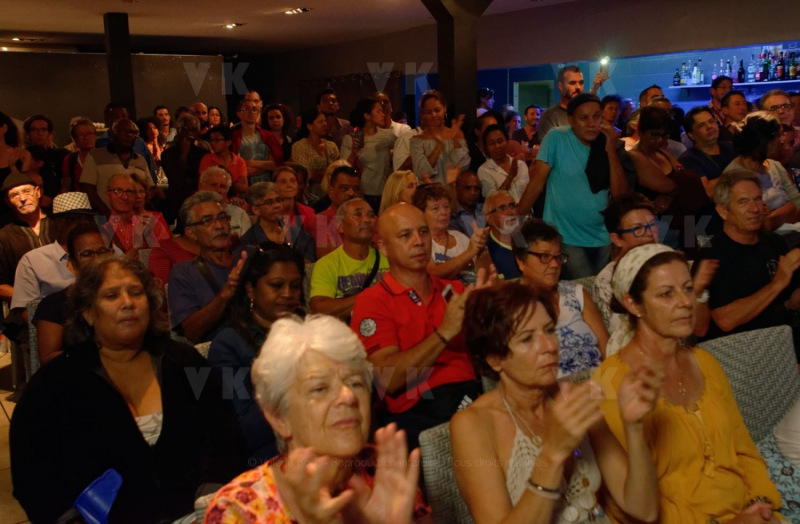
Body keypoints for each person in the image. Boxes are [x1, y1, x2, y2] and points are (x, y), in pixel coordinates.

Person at [10, 255, 246, 523]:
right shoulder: (54, 384)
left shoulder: (186, 363)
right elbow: (34, 476)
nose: (128, 303)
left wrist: (211, 500)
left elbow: (223, 433)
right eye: (111, 296)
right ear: (87, 312)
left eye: (136, 293)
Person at [595, 243, 784, 522]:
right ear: (633, 304)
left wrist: (761, 502)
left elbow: (744, 449)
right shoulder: (611, 382)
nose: (685, 302)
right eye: (666, 294)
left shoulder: (704, 361)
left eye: (687, 288)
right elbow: (631, 502)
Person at [451, 282, 659, 524]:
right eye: (527, 339)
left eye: (550, 330)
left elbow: (644, 509)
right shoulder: (473, 425)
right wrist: (552, 454)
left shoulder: (573, 398)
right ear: (496, 359)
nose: (550, 346)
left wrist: (634, 427)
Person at [204, 314, 428, 522]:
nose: (348, 396)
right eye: (320, 388)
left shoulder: (386, 471)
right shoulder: (237, 509)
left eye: (355, 383)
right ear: (279, 417)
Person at [351, 203, 495, 448]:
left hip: (469, 396)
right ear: (383, 247)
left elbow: (492, 354)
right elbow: (387, 379)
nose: (419, 241)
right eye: (405, 235)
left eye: (424, 232)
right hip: (418, 412)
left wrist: (491, 314)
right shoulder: (372, 301)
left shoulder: (454, 291)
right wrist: (445, 332)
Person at [208, 246, 304, 464]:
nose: (288, 294)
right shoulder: (229, 344)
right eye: (276, 285)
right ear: (251, 290)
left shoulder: (310, 328)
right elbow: (246, 430)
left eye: (295, 286)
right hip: (268, 453)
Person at [519, 93, 629, 278]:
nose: (592, 123)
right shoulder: (556, 138)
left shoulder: (606, 144)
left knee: (602, 292)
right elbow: (536, 183)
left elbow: (620, 195)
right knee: (586, 291)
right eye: (584, 118)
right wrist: (516, 222)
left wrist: (610, 149)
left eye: (596, 116)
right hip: (565, 236)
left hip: (602, 236)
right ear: (571, 120)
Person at [696, 170, 800, 354]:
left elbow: (791, 300)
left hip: (784, 340)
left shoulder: (773, 242)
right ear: (723, 211)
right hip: (742, 354)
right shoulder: (713, 256)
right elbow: (726, 320)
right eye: (743, 202)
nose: (755, 208)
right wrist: (778, 283)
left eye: (758, 199)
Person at [515, 219, 608, 378]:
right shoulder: (512, 305)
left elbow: (607, 349)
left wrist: (611, 392)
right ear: (521, 262)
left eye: (558, 257)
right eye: (544, 257)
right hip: (552, 395)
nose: (554, 265)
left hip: (598, 385)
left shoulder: (576, 293)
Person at [628, 105, 711, 253]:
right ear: (641, 132)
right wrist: (674, 190)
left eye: (664, 136)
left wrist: (673, 192)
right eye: (654, 135)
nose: (659, 140)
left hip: (683, 222)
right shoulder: (635, 157)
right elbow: (670, 186)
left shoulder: (663, 152)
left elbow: (687, 181)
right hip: (658, 225)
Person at [167, 191, 246, 343]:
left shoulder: (247, 257)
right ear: (191, 232)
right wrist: (224, 295)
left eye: (223, 217)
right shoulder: (184, 272)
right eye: (207, 221)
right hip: (219, 355)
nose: (219, 225)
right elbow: (192, 333)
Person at [33, 221, 112, 364]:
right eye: (87, 254)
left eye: (102, 251)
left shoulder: (130, 296)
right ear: (73, 263)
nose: (97, 260)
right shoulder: (55, 304)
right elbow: (48, 358)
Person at [310, 198, 389, 320]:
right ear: (340, 226)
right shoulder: (327, 264)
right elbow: (320, 309)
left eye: (371, 215)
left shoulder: (389, 259)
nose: (367, 220)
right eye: (358, 215)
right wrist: (373, 295)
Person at [725, 111, 800, 232]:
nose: (782, 140)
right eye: (779, 135)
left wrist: (780, 214)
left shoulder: (775, 166)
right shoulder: (734, 175)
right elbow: (759, 226)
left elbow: (797, 204)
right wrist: (788, 208)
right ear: (763, 140)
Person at [413, 182, 489, 285]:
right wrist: (469, 253)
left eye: (446, 207)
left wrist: (481, 250)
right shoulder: (419, 241)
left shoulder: (460, 237)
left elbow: (484, 272)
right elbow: (432, 274)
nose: (444, 212)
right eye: (436, 208)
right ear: (421, 213)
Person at [80, 118, 151, 216]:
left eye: (134, 133)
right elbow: (87, 189)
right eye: (125, 132)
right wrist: (108, 215)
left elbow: (149, 188)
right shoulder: (96, 156)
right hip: (105, 218)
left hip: (135, 219)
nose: (130, 136)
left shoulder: (140, 159)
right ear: (113, 134)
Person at [340, 97, 397, 213]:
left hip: (384, 192)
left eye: (383, 111)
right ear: (367, 116)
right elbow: (343, 170)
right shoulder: (351, 139)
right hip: (362, 192)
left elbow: (401, 153)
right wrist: (354, 152)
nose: (383, 114)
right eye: (378, 111)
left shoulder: (388, 136)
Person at [240, 182, 315, 263]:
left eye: (278, 200)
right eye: (269, 202)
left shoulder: (296, 234)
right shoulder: (248, 241)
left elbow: (308, 264)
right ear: (256, 210)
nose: (277, 205)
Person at [410, 90, 470, 184]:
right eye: (428, 112)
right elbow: (422, 172)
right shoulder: (417, 140)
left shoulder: (457, 133)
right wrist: (438, 145)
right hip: (429, 193)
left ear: (444, 108)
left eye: (437, 110)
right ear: (423, 114)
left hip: (453, 192)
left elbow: (464, 166)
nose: (434, 115)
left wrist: (454, 138)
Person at [679, 106, 737, 198]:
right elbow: (708, 192)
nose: (710, 127)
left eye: (711, 121)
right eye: (701, 125)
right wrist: (736, 170)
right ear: (691, 135)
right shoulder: (688, 159)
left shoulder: (733, 147)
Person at [232, 99, 284, 183]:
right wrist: (264, 166)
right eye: (246, 109)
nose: (251, 112)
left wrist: (251, 163)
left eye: (254, 109)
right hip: (243, 184)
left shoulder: (268, 136)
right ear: (239, 113)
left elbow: (277, 164)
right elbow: (234, 167)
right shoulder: (234, 137)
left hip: (266, 185)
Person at [292, 108, 340, 194]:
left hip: (331, 194)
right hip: (310, 195)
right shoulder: (300, 146)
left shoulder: (331, 146)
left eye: (325, 121)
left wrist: (318, 174)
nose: (325, 124)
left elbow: (338, 172)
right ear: (309, 126)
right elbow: (306, 176)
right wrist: (328, 174)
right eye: (320, 121)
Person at [478, 123, 530, 202]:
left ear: (507, 141)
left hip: (526, 213)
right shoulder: (484, 170)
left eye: (500, 141)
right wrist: (510, 176)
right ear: (486, 147)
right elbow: (493, 201)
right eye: (492, 143)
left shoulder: (521, 165)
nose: (497, 146)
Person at [198, 166, 252, 241]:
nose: (218, 190)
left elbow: (247, 245)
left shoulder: (240, 214)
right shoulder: (192, 213)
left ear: (228, 190)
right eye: (213, 185)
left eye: (223, 186)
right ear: (201, 187)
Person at [199, 125, 248, 196]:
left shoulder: (239, 161)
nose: (212, 143)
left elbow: (244, 187)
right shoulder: (207, 159)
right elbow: (203, 185)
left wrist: (217, 183)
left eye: (217, 140)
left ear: (228, 142)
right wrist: (233, 185)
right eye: (211, 140)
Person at [484, 190, 522, 280]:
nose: (510, 212)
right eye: (502, 208)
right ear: (489, 219)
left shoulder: (529, 239)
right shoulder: (486, 250)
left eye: (512, 206)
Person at [61, 117, 96, 192]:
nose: (86, 138)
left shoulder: (104, 156)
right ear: (75, 139)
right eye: (81, 135)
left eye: (89, 133)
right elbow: (66, 186)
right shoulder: (70, 160)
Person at [449, 170, 485, 237]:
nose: (473, 192)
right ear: (457, 189)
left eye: (476, 188)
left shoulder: (486, 209)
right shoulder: (452, 216)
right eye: (468, 188)